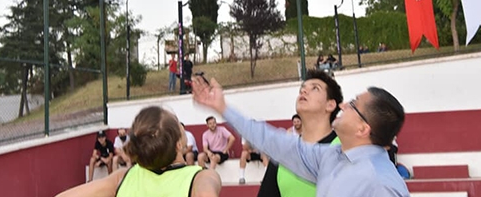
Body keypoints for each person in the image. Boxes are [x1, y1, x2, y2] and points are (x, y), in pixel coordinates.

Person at [192, 76, 410, 197]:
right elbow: (274, 142)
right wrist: (222, 107)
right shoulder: (331, 157)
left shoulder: (381, 184)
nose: (344, 105)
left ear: (363, 129)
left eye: (352, 105)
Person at [56, 106, 221, 197]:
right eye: (178, 123)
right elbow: (206, 192)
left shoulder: (123, 178)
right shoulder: (200, 176)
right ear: (179, 144)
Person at [258, 70, 343, 197]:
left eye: (315, 88)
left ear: (330, 105)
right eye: (302, 89)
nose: (303, 91)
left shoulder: (347, 149)